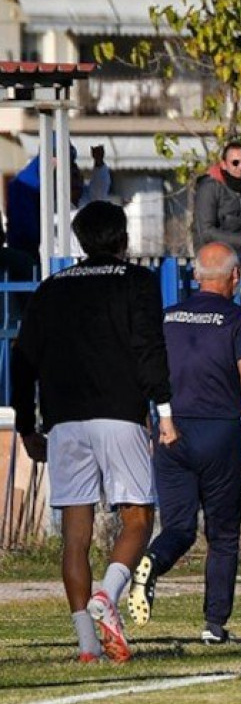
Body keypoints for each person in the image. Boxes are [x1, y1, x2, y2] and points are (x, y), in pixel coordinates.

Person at [9, 201, 177, 662]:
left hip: (64, 422)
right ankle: (108, 596)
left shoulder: (49, 289)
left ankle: (87, 645)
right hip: (119, 414)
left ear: (81, 241)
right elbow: (149, 349)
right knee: (138, 518)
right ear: (123, 239)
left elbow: (22, 362)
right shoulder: (137, 282)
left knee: (75, 537)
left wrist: (27, 424)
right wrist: (164, 411)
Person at [126, 242, 241, 644]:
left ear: (195, 277)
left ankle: (152, 561)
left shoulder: (167, 318)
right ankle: (214, 625)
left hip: (171, 431)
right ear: (236, 277)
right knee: (222, 536)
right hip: (219, 432)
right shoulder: (240, 319)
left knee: (179, 528)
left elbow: (145, 377)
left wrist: (149, 428)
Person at [192, 142, 241, 256]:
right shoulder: (209, 188)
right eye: (235, 163)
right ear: (224, 164)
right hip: (212, 257)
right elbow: (207, 233)